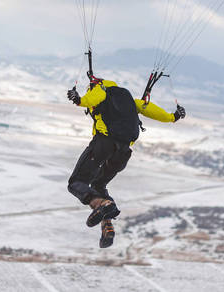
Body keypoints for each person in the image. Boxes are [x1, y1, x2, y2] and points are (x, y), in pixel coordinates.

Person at [66, 78, 185, 248]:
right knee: (98, 185)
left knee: (76, 183)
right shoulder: (128, 98)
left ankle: (103, 204)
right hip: (123, 153)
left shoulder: (101, 90)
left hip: (104, 144)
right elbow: (148, 108)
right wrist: (173, 117)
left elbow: (91, 99)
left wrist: (79, 100)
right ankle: (107, 223)